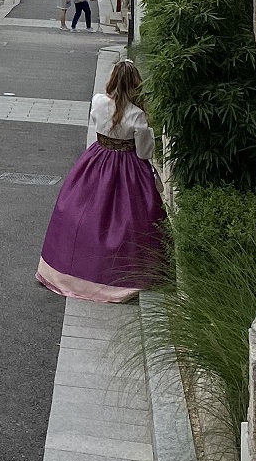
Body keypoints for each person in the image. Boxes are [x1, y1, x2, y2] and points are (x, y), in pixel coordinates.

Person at [37, 59, 165, 302]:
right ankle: (121, 278)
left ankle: (68, 272)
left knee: (84, 211)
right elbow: (144, 153)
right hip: (128, 168)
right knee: (131, 217)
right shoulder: (138, 116)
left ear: (112, 80)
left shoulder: (98, 102)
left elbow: (97, 124)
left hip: (96, 161)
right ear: (136, 85)